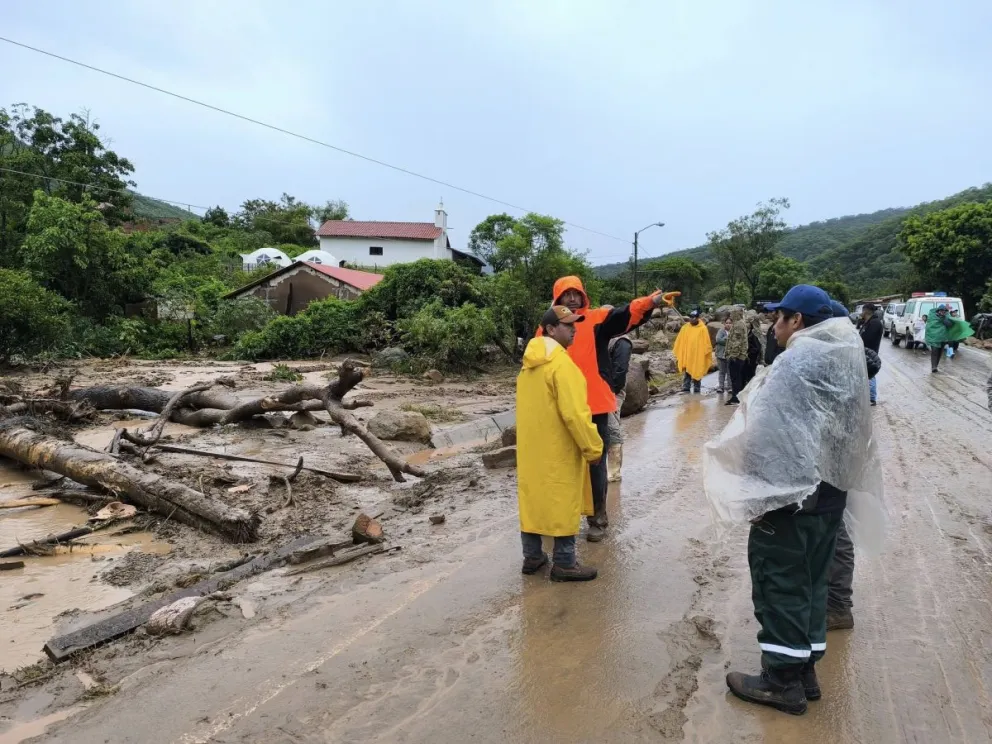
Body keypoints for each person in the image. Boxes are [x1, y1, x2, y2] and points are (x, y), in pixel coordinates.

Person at [720, 284, 870, 715]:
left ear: (797, 320)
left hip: (791, 499)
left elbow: (765, 433)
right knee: (813, 582)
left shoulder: (796, 362)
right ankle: (805, 670)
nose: (773, 326)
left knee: (780, 582)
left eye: (778, 317)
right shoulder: (844, 359)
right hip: (831, 497)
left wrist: (757, 496)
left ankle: (781, 682)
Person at [539, 276, 677, 541]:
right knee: (559, 463)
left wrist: (650, 302)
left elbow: (625, 315)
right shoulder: (547, 328)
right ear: (557, 298)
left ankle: (597, 519)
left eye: (576, 293)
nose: (572, 298)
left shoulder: (596, 319)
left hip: (594, 405)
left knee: (595, 462)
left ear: (583, 296)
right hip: (557, 407)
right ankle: (559, 517)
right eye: (566, 294)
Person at [517, 306, 604, 582]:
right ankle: (565, 563)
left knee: (533, 501)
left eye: (574, 324)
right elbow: (576, 415)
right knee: (562, 501)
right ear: (551, 329)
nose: (574, 329)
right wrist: (593, 448)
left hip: (531, 452)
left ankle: (532, 557)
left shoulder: (527, 366)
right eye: (568, 325)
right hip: (559, 450)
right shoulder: (562, 365)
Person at [606, 333, 633, 482]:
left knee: (612, 427)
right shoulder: (604, 336)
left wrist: (612, 390)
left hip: (611, 391)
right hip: (598, 389)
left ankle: (614, 472)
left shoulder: (621, 341)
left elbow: (621, 369)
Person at [673, 309, 713, 394]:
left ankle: (697, 388)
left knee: (697, 370)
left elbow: (706, 343)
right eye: (690, 317)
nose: (691, 319)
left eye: (693, 317)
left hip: (698, 355)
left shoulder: (703, 329)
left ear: (698, 318)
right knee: (687, 371)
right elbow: (680, 341)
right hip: (687, 354)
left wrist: (705, 352)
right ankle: (686, 387)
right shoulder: (685, 328)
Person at [859, 303, 883, 406]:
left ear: (865, 311)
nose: (861, 313)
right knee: (866, 374)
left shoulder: (875, 323)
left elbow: (867, 338)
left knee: (870, 374)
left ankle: (872, 398)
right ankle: (868, 397)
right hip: (865, 352)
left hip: (870, 353)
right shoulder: (868, 322)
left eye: (862, 310)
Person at [725, 308, 748, 405]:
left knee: (736, 378)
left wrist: (733, 355)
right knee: (736, 378)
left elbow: (737, 341)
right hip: (738, 356)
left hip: (737, 356)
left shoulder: (738, 325)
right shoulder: (738, 323)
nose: (730, 315)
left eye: (732, 313)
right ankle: (736, 396)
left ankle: (736, 397)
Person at [927, 305, 954, 373]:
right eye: (942, 310)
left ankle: (935, 366)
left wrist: (944, 319)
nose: (943, 312)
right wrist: (940, 319)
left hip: (942, 338)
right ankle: (933, 367)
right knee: (934, 351)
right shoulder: (933, 317)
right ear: (938, 311)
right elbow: (930, 326)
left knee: (939, 352)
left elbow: (950, 325)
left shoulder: (946, 317)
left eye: (944, 311)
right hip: (934, 338)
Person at [743, 312, 764, 387]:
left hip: (752, 358)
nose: (745, 324)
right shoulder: (747, 332)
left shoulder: (754, 333)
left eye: (747, 322)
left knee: (751, 375)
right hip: (747, 358)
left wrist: (749, 353)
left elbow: (757, 348)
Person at [715, 318, 731, 392]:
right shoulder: (721, 331)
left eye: (730, 323)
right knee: (722, 371)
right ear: (724, 324)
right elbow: (718, 340)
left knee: (729, 372)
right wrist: (727, 339)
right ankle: (721, 387)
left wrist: (725, 340)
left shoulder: (734, 332)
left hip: (730, 354)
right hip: (721, 354)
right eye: (727, 323)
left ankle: (730, 387)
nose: (728, 324)